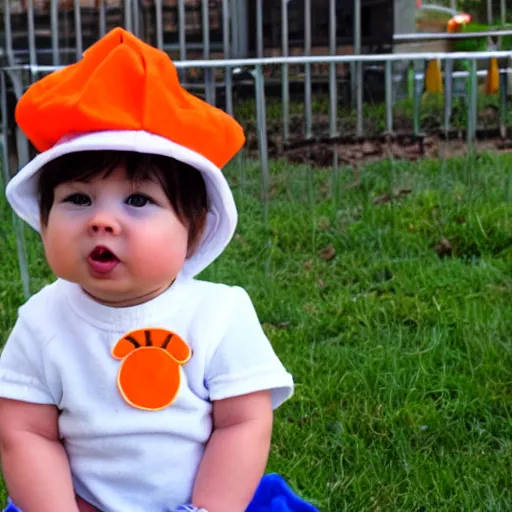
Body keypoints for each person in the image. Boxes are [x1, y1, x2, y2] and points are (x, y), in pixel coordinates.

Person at [0, 27, 297, 512]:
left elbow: (243, 422)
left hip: (203, 501)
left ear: (193, 230)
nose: (101, 220)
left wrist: (208, 509)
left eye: (138, 199)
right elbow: (24, 430)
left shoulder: (219, 313)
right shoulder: (41, 320)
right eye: (77, 198)